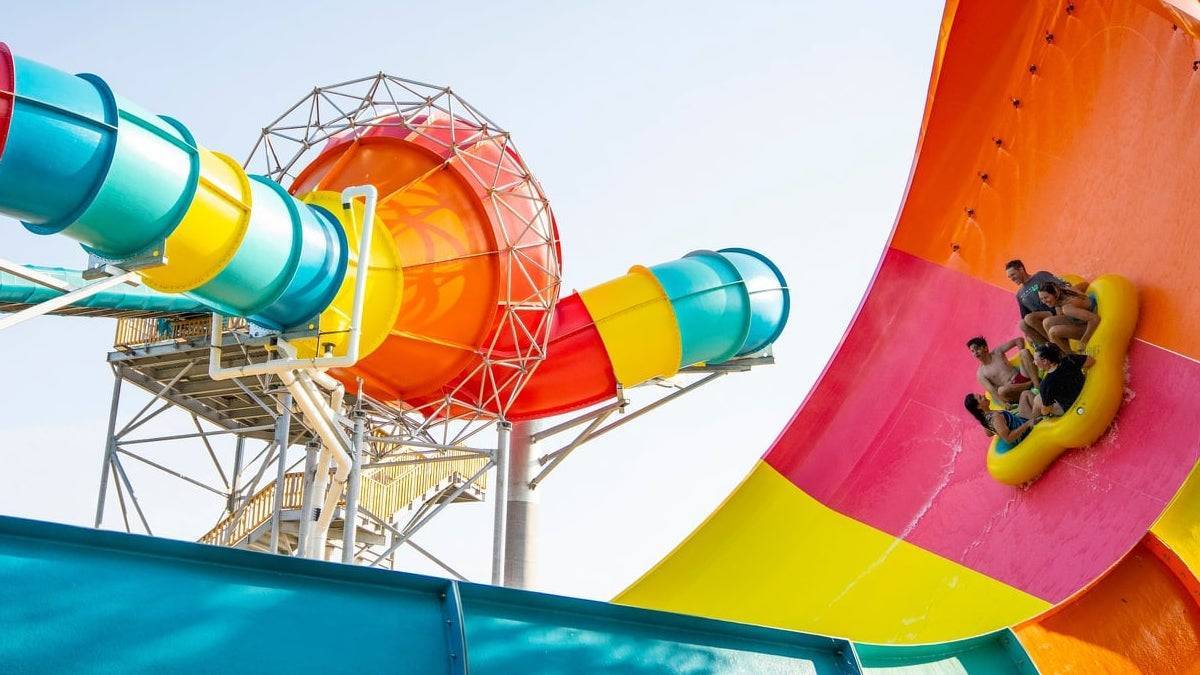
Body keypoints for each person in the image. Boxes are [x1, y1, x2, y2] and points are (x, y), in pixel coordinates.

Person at [1005, 259, 1067, 346]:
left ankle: (1055, 345)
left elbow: (1062, 286)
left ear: (1021, 269)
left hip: (1055, 310)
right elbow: (1024, 315)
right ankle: (1047, 348)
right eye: (1009, 277)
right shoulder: (1019, 294)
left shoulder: (1040, 276)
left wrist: (1058, 305)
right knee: (1022, 324)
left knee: (1030, 318)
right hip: (1040, 320)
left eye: (1013, 274)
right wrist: (1027, 335)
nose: (1012, 279)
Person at [967, 336, 1040, 406]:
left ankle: (1037, 386)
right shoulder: (981, 373)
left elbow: (1019, 340)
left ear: (985, 348)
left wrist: (1021, 352)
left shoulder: (997, 352)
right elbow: (993, 392)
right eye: (972, 351)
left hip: (1022, 376)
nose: (975, 353)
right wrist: (1004, 405)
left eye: (977, 349)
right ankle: (1031, 384)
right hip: (1013, 391)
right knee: (1001, 390)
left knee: (1024, 352)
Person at [1033, 343, 1094, 416]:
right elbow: (1090, 361)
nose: (1034, 362)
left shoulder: (1045, 385)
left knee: (1037, 399)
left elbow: (1047, 410)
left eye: (1036, 360)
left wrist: (1043, 411)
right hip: (1086, 391)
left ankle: (1034, 422)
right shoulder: (1070, 359)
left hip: (1072, 407)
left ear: (1045, 361)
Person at [1037, 283, 1100, 354]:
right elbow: (1084, 285)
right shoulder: (1065, 290)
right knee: (1047, 322)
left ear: (1055, 294)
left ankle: (1071, 357)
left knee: (1053, 332)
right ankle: (1059, 352)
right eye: (1041, 299)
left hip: (1089, 325)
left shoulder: (1067, 308)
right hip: (1082, 318)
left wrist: (1083, 342)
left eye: (1046, 297)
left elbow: (1094, 319)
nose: (1044, 301)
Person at [964, 392, 1040, 444]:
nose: (983, 395)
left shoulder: (984, 419)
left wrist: (1005, 421)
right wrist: (1028, 424)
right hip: (1025, 432)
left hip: (1019, 422)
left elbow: (989, 434)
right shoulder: (995, 417)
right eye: (980, 398)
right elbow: (1008, 438)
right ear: (979, 407)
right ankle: (1046, 411)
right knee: (1031, 396)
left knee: (1024, 394)